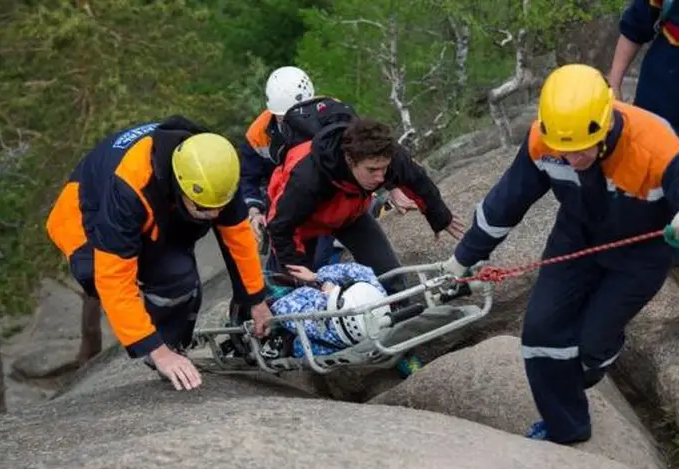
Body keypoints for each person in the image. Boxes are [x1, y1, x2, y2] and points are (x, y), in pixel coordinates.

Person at [440, 64, 679, 445]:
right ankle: (566, 429)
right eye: (564, 150)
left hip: (640, 255)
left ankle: (597, 359)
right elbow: (505, 203)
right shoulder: (545, 140)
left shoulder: (656, 147)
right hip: (574, 238)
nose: (572, 160)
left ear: (605, 124)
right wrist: (463, 259)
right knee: (540, 332)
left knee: (590, 349)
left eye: (581, 150)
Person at [45, 116, 273, 391]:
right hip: (88, 212)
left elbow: (238, 238)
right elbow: (113, 280)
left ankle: (173, 341)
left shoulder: (218, 171)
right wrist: (157, 350)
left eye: (218, 208)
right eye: (203, 207)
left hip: (161, 202)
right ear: (180, 185)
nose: (213, 215)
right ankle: (162, 350)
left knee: (180, 278)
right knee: (104, 275)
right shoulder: (129, 189)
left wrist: (255, 299)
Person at [239, 66, 418, 267]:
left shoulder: (335, 113)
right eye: (283, 117)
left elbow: (371, 151)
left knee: (330, 260)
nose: (292, 121)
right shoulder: (258, 134)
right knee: (286, 266)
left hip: (334, 196)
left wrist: (393, 187)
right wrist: (254, 211)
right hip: (292, 201)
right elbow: (248, 177)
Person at [265, 116, 465, 294]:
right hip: (301, 223)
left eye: (384, 169)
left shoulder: (387, 156)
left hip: (351, 214)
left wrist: (440, 217)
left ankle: (400, 313)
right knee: (299, 287)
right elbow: (280, 226)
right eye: (372, 170)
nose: (381, 178)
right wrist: (298, 268)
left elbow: (418, 181)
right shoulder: (306, 179)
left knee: (389, 274)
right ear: (349, 159)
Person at [607, 0, 679, 296]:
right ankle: (665, 258)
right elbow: (635, 27)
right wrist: (614, 86)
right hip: (660, 109)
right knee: (649, 188)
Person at [267, 262, 422, 376]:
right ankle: (406, 358)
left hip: (320, 330)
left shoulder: (320, 323)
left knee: (297, 344)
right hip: (376, 329)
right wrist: (317, 277)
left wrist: (323, 285)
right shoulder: (373, 293)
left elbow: (281, 308)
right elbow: (362, 271)